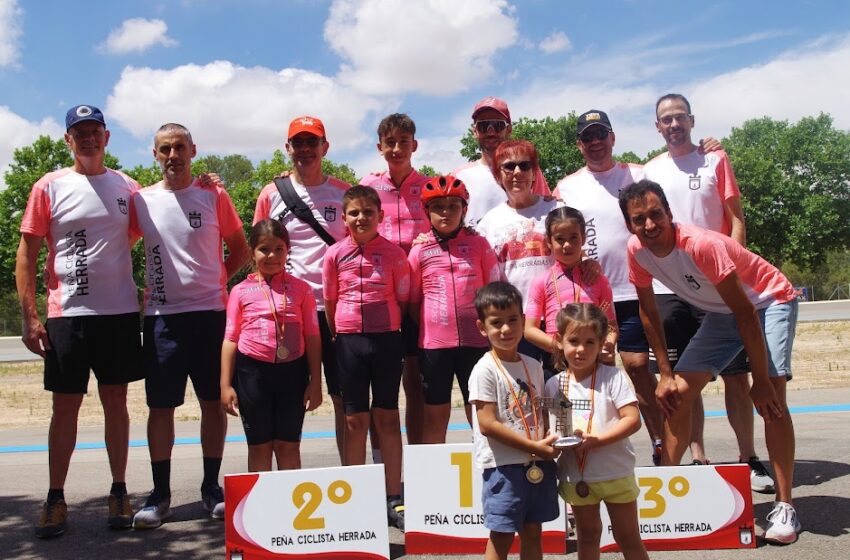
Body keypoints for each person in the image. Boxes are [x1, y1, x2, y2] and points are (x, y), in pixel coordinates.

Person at [620, 180, 800, 545]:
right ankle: (665, 490)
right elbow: (648, 312)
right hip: (723, 311)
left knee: (771, 397)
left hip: (768, 301)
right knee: (677, 396)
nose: (650, 225)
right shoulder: (636, 250)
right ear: (630, 225)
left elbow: (747, 313)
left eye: (656, 214)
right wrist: (666, 375)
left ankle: (784, 506)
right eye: (640, 219)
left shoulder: (701, 245)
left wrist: (761, 379)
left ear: (670, 214)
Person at [17, 104, 143, 538]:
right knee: (65, 406)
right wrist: (31, 316)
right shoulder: (49, 186)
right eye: (79, 132)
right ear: (68, 140)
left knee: (116, 403)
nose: (88, 138)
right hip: (67, 315)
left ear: (107, 138)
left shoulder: (128, 186)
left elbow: (160, 220)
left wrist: (204, 184)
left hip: (119, 314)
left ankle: (120, 491)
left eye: (95, 131)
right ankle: (55, 498)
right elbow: (28, 254)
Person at [643, 94, 772, 489]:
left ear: (692, 120)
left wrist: (734, 266)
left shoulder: (715, 158)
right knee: (686, 379)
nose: (674, 124)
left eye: (680, 117)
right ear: (657, 127)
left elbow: (735, 219)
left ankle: (748, 458)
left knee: (736, 376)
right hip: (672, 287)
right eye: (666, 119)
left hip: (718, 286)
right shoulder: (649, 170)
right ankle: (697, 456)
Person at [130, 123, 250, 529]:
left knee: (212, 404)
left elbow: (242, 249)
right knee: (160, 407)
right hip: (163, 319)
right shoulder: (140, 201)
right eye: (165, 148)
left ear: (193, 150)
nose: (173, 156)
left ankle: (210, 487)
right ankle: (160, 494)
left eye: (180, 147)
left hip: (210, 316)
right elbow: (114, 244)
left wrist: (217, 280)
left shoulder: (213, 194)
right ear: (154, 154)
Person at [552, 110, 664, 463]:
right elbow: (556, 231)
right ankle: (591, 451)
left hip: (642, 290)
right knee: (589, 372)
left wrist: (707, 148)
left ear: (613, 137)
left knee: (641, 370)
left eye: (601, 134)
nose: (595, 142)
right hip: (593, 296)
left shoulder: (640, 173)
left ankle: (663, 444)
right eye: (588, 137)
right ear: (579, 144)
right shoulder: (567, 186)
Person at [253, 116, 349, 462]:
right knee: (289, 399)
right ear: (287, 148)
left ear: (325, 147)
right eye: (298, 143)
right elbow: (259, 248)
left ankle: (351, 478)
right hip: (288, 311)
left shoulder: (343, 192)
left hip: (336, 311)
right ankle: (287, 486)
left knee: (344, 400)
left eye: (313, 142)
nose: (305, 150)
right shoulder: (272, 193)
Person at [322, 185, 410, 530]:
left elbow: (402, 299)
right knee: (354, 420)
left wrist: (387, 328)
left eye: (368, 212)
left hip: (387, 339)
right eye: (354, 213)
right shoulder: (333, 255)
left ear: (380, 216)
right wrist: (342, 333)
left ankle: (393, 496)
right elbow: (330, 300)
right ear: (343, 218)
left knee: (387, 417)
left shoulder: (395, 254)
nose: (361, 218)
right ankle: (356, 494)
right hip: (348, 340)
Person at [544, 303, 647, 560]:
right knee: (588, 537)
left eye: (590, 342)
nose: (581, 349)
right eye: (574, 341)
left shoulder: (613, 377)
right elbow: (555, 429)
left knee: (628, 538)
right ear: (559, 340)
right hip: (576, 476)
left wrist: (597, 440)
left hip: (615, 472)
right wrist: (552, 444)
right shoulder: (552, 384)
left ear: (602, 342)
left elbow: (633, 420)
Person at [220, 219, 323, 472]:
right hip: (252, 373)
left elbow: (312, 336)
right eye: (264, 249)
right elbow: (230, 338)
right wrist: (225, 385)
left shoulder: (303, 290)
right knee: (259, 446)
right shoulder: (240, 291)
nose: (272, 256)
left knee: (288, 446)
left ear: (288, 250)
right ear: (253, 252)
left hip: (293, 374)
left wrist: (316, 382)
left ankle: (289, 507)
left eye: (279, 249)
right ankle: (259, 509)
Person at [469, 281, 560, 560]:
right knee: (502, 534)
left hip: (537, 462)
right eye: (496, 323)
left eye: (512, 320)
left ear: (523, 321)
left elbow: (542, 409)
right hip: (503, 467)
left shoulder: (533, 365)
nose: (506, 329)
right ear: (482, 327)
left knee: (533, 530)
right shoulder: (484, 370)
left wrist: (559, 431)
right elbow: (487, 424)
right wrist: (534, 447)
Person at [407, 175, 501, 442]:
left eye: (453, 206)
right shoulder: (419, 251)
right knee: (435, 415)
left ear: (465, 209)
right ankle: (434, 480)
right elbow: (413, 302)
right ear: (427, 212)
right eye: (438, 207)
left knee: (481, 413)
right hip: (434, 346)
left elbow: (493, 292)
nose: (446, 212)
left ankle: (489, 474)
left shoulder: (479, 244)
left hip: (476, 342)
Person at [359, 113, 431, 448]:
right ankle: (382, 464)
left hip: (420, 298)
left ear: (414, 145)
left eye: (404, 141)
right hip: (380, 298)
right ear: (379, 147)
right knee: (380, 390)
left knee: (415, 384)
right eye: (390, 142)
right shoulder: (368, 187)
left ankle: (415, 461)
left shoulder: (430, 187)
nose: (397, 148)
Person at [475, 140, 564, 362]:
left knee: (564, 387)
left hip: (558, 312)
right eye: (508, 166)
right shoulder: (488, 223)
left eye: (524, 166)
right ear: (498, 175)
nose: (517, 172)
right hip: (514, 318)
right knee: (525, 388)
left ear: (534, 173)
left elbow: (577, 254)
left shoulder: (557, 209)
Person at [524, 207, 617, 377]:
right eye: (560, 239)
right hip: (556, 362)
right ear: (548, 242)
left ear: (584, 238)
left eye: (574, 237)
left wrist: (608, 344)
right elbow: (529, 330)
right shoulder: (541, 282)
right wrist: (560, 346)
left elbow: (611, 326)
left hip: (594, 360)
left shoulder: (599, 280)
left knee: (597, 404)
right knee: (558, 404)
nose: (567, 245)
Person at [452, 97, 550, 228]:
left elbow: (546, 211)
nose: (491, 131)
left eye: (497, 125)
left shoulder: (528, 171)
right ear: (474, 131)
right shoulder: (458, 176)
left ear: (509, 129)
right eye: (483, 126)